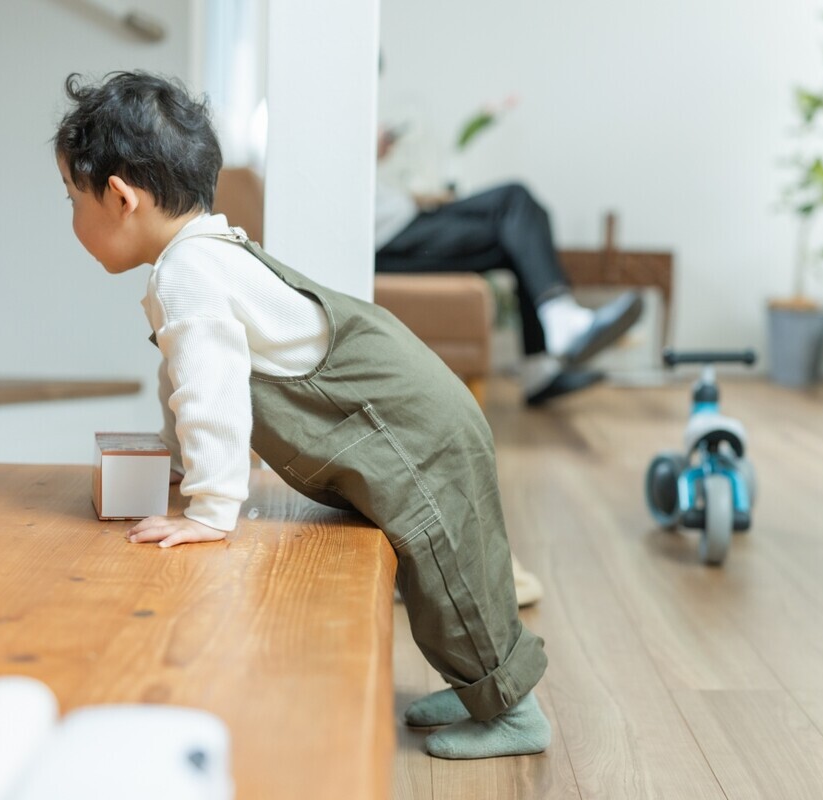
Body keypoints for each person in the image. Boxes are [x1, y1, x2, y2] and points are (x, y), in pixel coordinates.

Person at [54, 71, 550, 760]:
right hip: (400, 419)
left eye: (71, 199)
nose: (70, 218)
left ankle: (511, 713)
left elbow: (212, 392)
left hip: (412, 430)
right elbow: (184, 381)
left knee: (452, 574)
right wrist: (172, 464)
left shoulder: (190, 273)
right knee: (441, 577)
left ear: (120, 196)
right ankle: (478, 688)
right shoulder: (200, 258)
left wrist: (209, 508)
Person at [374, 133, 644, 405]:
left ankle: (553, 339)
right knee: (516, 235)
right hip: (388, 240)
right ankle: (552, 345)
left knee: (517, 200)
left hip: (407, 215)